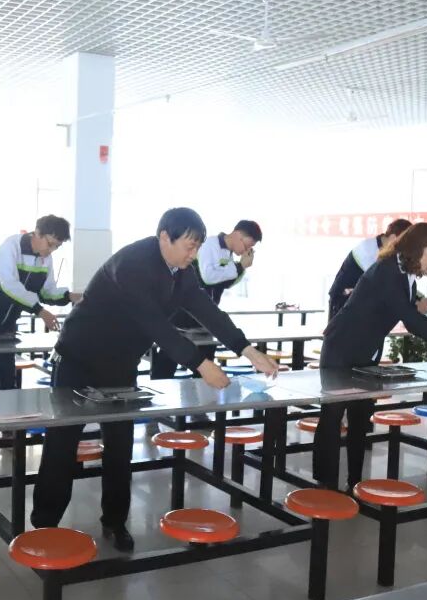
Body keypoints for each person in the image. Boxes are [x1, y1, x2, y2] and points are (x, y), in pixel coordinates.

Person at [30, 208, 280, 551]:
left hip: (120, 363)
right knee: (62, 444)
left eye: (197, 247)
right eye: (189, 247)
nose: (193, 255)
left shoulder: (180, 271)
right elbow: (155, 325)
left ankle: (115, 521)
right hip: (78, 358)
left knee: (119, 446)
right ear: (165, 237)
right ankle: (44, 526)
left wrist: (247, 350)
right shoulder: (132, 264)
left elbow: (207, 310)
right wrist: (201, 364)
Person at [316, 222, 427, 491]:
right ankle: (325, 486)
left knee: (359, 418)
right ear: (418, 246)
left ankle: (355, 483)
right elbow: (408, 315)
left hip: (365, 352)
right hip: (341, 349)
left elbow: (410, 318)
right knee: (332, 417)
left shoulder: (405, 274)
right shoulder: (388, 270)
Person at [0, 216, 81, 392]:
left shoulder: (46, 258)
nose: (51, 250)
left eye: (57, 247)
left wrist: (70, 296)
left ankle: (7, 409)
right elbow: (9, 285)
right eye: (50, 244)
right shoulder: (9, 246)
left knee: (8, 377)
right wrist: (40, 311)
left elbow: (46, 292)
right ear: (37, 233)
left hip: (7, 322)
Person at [150, 219, 262, 380]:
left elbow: (223, 283)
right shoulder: (210, 245)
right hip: (183, 317)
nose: (246, 251)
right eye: (247, 245)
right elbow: (208, 277)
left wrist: (241, 267)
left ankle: (200, 394)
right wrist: (239, 267)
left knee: (204, 372)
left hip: (204, 320)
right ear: (238, 235)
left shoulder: (227, 254)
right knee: (169, 362)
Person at [328, 218, 427, 320]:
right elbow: (390, 284)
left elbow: (399, 281)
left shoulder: (385, 252)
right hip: (341, 302)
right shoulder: (369, 250)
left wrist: (420, 298)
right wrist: (417, 302)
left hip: (356, 304)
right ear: (393, 238)